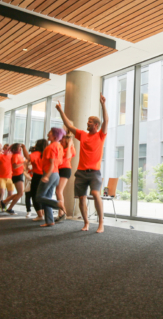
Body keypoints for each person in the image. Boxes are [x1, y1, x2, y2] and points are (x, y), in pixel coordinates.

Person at [56, 93, 108, 233]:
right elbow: (68, 125)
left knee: (96, 194)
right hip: (81, 172)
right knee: (81, 199)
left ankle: (101, 223)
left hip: (94, 173)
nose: (87, 123)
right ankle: (86, 223)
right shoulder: (82, 135)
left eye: (90, 121)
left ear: (96, 125)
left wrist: (103, 104)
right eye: (87, 121)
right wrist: (61, 111)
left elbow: (106, 121)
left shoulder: (100, 135)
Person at [35, 128, 66, 227]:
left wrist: (46, 176)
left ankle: (57, 204)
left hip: (50, 173)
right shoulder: (60, 146)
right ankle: (49, 221)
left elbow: (52, 163)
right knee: (46, 197)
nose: (48, 134)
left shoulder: (51, 147)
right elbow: (59, 162)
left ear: (55, 136)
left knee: (39, 197)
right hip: (56, 174)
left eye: (50, 132)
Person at [55, 134, 76, 222]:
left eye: (63, 141)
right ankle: (61, 212)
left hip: (65, 169)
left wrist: (70, 144)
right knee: (57, 191)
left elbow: (68, 156)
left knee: (59, 191)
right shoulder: (61, 148)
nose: (61, 142)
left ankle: (62, 212)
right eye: (61, 141)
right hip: (59, 169)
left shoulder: (70, 148)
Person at [1, 144, 27, 215]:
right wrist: (23, 163)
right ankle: (9, 208)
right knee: (20, 193)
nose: (21, 149)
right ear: (16, 149)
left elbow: (21, 165)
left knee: (20, 193)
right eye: (19, 147)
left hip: (19, 174)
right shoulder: (15, 156)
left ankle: (5, 202)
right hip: (17, 175)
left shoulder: (19, 156)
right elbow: (15, 166)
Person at [30, 139, 47, 222]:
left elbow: (28, 158)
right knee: (44, 195)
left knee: (34, 195)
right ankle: (43, 213)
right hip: (46, 175)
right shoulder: (47, 154)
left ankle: (40, 215)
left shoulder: (35, 154)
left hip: (37, 176)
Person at [0, 144, 13, 213]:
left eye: (8, 148)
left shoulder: (12, 156)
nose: (7, 150)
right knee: (1, 193)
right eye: (6, 148)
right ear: (3, 149)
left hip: (10, 177)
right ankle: (0, 206)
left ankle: (3, 206)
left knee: (10, 194)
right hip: (1, 177)